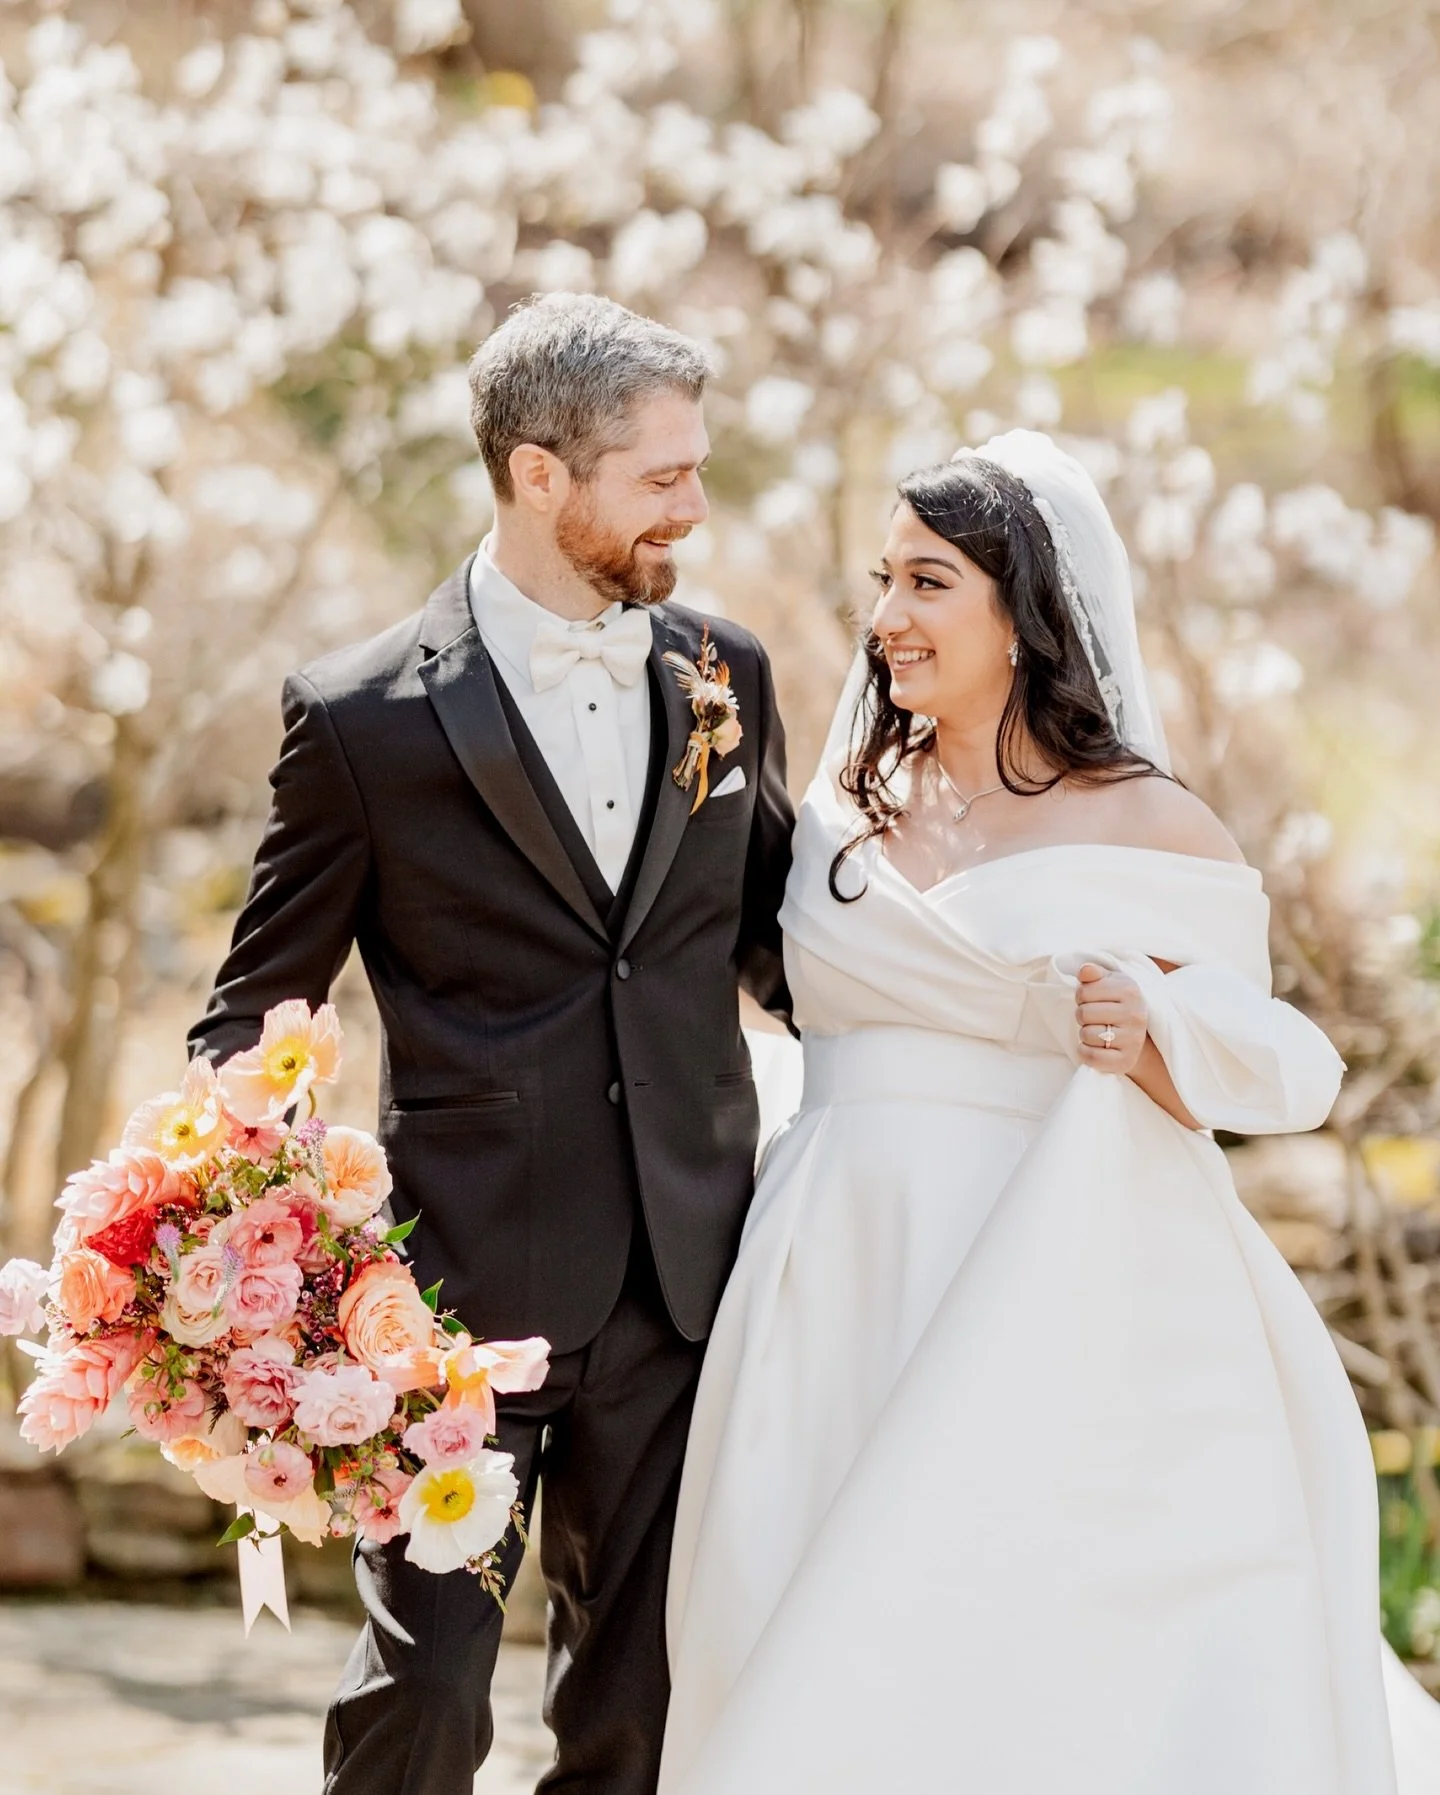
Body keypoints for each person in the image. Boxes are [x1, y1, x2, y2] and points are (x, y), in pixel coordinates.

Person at [659, 431, 1402, 1794]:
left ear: (1027, 610)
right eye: (885, 579)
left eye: (928, 582)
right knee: (799, 1617)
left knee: (1013, 1624)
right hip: (833, 1267)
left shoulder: (1152, 824)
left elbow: (1277, 1065)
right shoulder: (832, 820)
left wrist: (1154, 1026)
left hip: (1051, 1271)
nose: (886, 617)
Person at [188, 292, 795, 1795]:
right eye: (662, 477)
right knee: (430, 1681)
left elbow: (786, 942)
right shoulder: (359, 719)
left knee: (642, 1698)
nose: (694, 509)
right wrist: (256, 1234)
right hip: (452, 1299)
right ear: (542, 475)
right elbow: (252, 1004)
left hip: (684, 1274)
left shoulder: (726, 674)